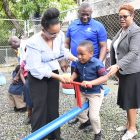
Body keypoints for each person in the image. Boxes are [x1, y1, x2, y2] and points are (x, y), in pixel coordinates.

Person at [25, 8, 77, 140]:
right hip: (37, 77)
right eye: (52, 34)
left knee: (53, 107)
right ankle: (38, 136)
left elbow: (62, 51)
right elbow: (36, 69)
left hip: (53, 73)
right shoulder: (33, 42)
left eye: (57, 32)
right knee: (40, 108)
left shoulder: (59, 35)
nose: (56, 35)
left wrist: (76, 59)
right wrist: (59, 77)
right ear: (43, 28)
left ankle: (55, 136)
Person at [65, 2, 107, 128]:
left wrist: (99, 62)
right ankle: (81, 117)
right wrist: (65, 59)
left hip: (92, 65)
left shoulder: (98, 26)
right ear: (78, 13)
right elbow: (66, 44)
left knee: (91, 89)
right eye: (82, 14)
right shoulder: (72, 25)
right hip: (76, 64)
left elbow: (103, 46)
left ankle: (91, 117)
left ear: (91, 13)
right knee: (78, 91)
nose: (85, 17)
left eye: (87, 15)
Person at [107, 4, 140, 140]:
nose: (122, 19)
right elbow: (116, 47)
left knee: (131, 101)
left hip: (133, 71)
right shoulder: (122, 29)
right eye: (120, 17)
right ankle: (128, 124)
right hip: (123, 71)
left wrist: (117, 65)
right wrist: (115, 66)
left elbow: (134, 52)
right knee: (127, 99)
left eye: (125, 16)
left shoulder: (136, 31)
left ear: (132, 16)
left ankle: (132, 129)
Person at [66, 40, 108, 140]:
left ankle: (98, 133)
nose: (79, 57)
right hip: (82, 91)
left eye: (82, 54)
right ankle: (86, 122)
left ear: (91, 54)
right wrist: (71, 78)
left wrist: (91, 82)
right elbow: (76, 71)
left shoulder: (97, 63)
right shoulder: (78, 62)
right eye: (78, 54)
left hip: (95, 93)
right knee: (77, 110)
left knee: (93, 116)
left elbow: (105, 77)